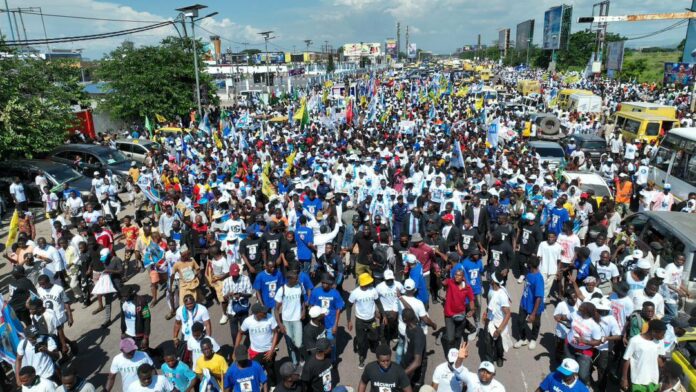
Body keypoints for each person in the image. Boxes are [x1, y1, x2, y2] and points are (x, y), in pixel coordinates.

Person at [236, 303, 279, 384]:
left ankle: (273, 386)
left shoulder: (270, 317)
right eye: (264, 312)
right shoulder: (248, 321)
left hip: (268, 351)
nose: (266, 313)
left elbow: (276, 333)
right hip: (255, 352)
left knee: (270, 371)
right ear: (257, 314)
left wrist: (272, 350)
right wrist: (235, 349)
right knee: (254, 371)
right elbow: (240, 333)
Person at [622, 319, 667, 392]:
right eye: (662, 334)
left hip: (653, 380)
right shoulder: (635, 341)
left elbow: (659, 359)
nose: (663, 337)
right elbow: (626, 359)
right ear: (653, 331)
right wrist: (624, 379)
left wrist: (664, 369)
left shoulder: (660, 342)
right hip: (638, 381)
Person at [348, 273, 380, 369]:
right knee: (362, 342)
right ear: (362, 283)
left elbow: (378, 302)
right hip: (360, 321)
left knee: (375, 336)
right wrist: (349, 320)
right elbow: (349, 306)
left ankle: (367, 339)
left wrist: (382, 314)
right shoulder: (355, 293)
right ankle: (362, 357)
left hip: (372, 321)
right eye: (368, 282)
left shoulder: (373, 290)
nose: (370, 284)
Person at [274, 270, 306, 366]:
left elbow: (302, 299)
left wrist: (303, 310)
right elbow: (276, 309)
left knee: (299, 343)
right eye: (295, 279)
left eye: (297, 278)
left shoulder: (300, 286)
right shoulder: (282, 290)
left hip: (297, 320)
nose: (297, 280)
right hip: (286, 321)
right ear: (289, 279)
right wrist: (280, 324)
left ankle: (301, 358)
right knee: (290, 344)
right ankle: (294, 362)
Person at [515, 256, 544, 350]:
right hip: (524, 303)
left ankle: (533, 339)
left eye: (528, 264)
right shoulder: (528, 273)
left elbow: (539, 297)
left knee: (536, 323)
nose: (526, 265)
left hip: (535, 306)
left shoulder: (538, 279)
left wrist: (533, 313)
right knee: (520, 321)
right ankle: (523, 339)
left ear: (531, 266)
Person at [483, 271, 512, 367]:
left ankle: (499, 357)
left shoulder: (502, 295)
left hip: (499, 324)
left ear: (494, 281)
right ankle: (489, 362)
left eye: (491, 279)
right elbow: (490, 304)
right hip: (490, 321)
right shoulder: (491, 289)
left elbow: (508, 314)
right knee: (487, 343)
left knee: (499, 345)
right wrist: (486, 314)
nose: (489, 280)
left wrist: (499, 330)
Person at [401, 308, 427, 389]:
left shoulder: (418, 336)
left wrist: (401, 375)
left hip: (416, 369)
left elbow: (417, 362)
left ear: (404, 319)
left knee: (414, 388)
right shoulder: (409, 325)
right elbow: (409, 309)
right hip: (407, 361)